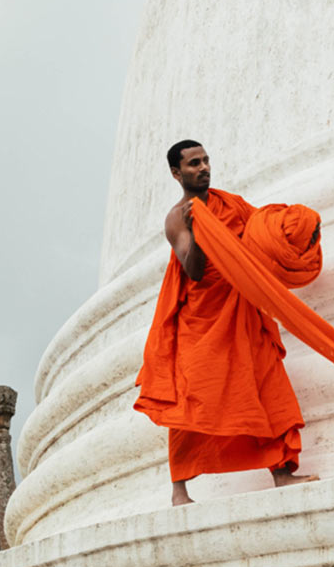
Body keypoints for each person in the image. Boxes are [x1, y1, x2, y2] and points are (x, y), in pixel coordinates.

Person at [135, 140, 319, 506]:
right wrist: (202, 230)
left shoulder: (229, 203)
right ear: (176, 173)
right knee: (192, 400)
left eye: (205, 161)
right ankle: (179, 492)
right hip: (202, 320)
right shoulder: (177, 218)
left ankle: (283, 473)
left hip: (243, 308)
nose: (202, 168)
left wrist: (297, 229)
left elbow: (259, 233)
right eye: (192, 164)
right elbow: (194, 270)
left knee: (269, 384)